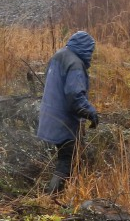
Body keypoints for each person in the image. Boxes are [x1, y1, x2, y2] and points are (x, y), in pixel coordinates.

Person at [37, 30, 99, 194]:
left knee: (71, 156)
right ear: (86, 48)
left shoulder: (59, 55)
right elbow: (75, 95)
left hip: (49, 115)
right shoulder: (75, 64)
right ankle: (52, 196)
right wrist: (91, 112)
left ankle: (69, 192)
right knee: (67, 159)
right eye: (91, 51)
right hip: (63, 121)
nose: (91, 55)